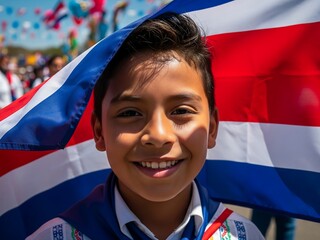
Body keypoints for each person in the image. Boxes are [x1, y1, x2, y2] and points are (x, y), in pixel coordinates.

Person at [27, 13, 264, 240]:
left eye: (181, 111)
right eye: (130, 113)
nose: (159, 135)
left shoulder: (244, 235)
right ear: (99, 132)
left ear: (212, 128)